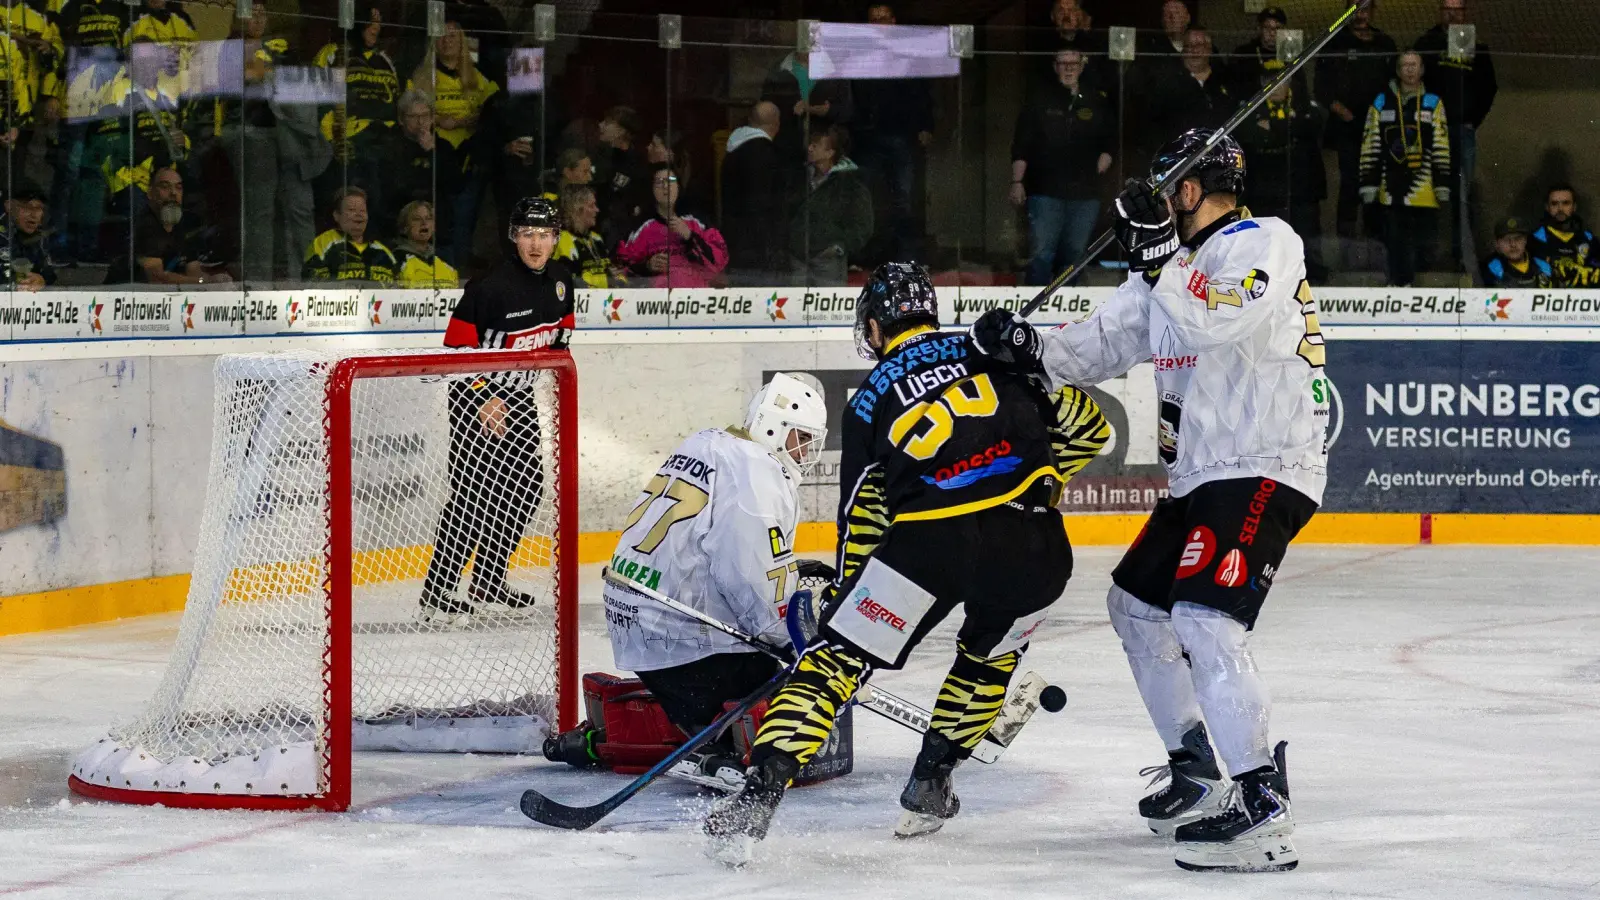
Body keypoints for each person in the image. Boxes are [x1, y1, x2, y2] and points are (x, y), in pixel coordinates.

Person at [969, 129, 1327, 873]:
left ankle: (1261, 803)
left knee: (1204, 618)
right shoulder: (1161, 273)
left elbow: (1215, 315)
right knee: (1135, 605)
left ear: (1191, 192)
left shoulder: (1266, 241)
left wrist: (1160, 256)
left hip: (1260, 463)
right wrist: (1024, 345)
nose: (1163, 201)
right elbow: (1095, 346)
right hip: (1200, 475)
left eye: (1170, 189)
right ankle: (1196, 768)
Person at [703, 262, 1110, 866]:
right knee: (989, 659)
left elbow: (864, 513)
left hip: (930, 541)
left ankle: (760, 791)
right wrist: (1032, 471)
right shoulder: (993, 352)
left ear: (874, 326)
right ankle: (930, 781)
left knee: (836, 662)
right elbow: (1091, 430)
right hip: (1034, 544)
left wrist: (848, 592)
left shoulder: (867, 399)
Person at [546, 373, 833, 789]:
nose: (804, 451)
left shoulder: (707, 443)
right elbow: (750, 579)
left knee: (712, 691)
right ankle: (715, 747)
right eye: (800, 438)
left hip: (639, 625)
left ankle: (627, 733)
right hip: (687, 646)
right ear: (774, 427)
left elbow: (703, 544)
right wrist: (794, 640)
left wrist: (785, 569)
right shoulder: (759, 470)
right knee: (799, 686)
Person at [419, 197, 576, 622]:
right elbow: (455, 349)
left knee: (525, 490)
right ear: (513, 237)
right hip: (476, 400)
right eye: (527, 234)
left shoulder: (562, 281)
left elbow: (561, 337)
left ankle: (489, 579)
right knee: (471, 498)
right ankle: (438, 594)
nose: (536, 244)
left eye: (544, 235)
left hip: (520, 400)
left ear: (557, 239)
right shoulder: (488, 288)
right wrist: (484, 393)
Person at [1010, 48, 1115, 286]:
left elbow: (1110, 138)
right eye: (1063, 63)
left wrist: (1106, 158)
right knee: (1042, 254)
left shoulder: (1096, 100)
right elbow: (1021, 144)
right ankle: (1033, 312)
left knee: (1075, 255)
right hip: (1045, 191)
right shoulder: (1039, 100)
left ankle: (1067, 313)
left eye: (1074, 63)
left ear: (1082, 66)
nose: (1069, 68)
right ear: (1055, 66)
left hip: (1085, 193)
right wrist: (1016, 182)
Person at [408, 19, 500, 267]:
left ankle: (458, 271)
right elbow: (408, 111)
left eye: (453, 36)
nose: (447, 41)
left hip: (470, 157)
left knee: (465, 220)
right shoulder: (422, 77)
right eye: (442, 36)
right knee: (442, 220)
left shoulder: (477, 77)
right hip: (436, 155)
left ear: (461, 43)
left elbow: (494, 109)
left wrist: (463, 119)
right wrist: (439, 119)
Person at [1414, 0, 1497, 264]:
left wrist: (1472, 119)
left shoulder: (1476, 46)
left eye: (1457, 9)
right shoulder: (1426, 43)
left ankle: (1461, 257)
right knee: (1426, 192)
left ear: (1465, 13)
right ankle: (1425, 257)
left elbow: (1488, 87)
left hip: (1463, 131)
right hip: (1430, 132)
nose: (1452, 13)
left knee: (1462, 196)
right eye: (1447, 8)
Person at [1359, 51, 1451, 287]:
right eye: (1405, 65)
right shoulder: (1381, 101)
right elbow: (1370, 143)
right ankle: (1398, 282)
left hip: (1424, 190)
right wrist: (1368, 183)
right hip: (1390, 187)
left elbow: (1441, 143)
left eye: (1414, 65)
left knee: (1423, 242)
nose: (1410, 70)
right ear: (1398, 71)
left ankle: (1416, 287)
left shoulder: (1433, 102)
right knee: (1394, 238)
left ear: (1422, 70)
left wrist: (1442, 184)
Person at [853, 2, 935, 263]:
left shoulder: (909, 53)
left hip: (902, 134)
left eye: (884, 18)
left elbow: (923, 91)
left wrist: (926, 125)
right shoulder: (859, 54)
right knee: (867, 201)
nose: (880, 24)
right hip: (867, 137)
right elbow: (852, 94)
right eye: (874, 19)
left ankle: (905, 258)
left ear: (894, 22)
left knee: (904, 200)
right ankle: (866, 256)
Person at [1315, 0, 1397, 249]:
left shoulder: (1385, 43)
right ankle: (1346, 245)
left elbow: (1395, 84)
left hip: (1379, 128)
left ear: (1373, 11)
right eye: (1355, 8)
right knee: (1350, 183)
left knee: (1376, 181)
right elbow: (1321, 88)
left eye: (1364, 8)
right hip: (1346, 127)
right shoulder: (1334, 42)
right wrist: (1342, 111)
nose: (1360, 14)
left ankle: (1375, 243)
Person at [1236, 78, 1327, 281]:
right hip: (1265, 190)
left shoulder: (1306, 107)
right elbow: (1248, 134)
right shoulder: (1251, 109)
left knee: (1306, 238)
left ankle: (1311, 281)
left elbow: (1310, 127)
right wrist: (1284, 129)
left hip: (1301, 188)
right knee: (1267, 241)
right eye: (1269, 82)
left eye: (1281, 82)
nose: (1275, 88)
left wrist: (1274, 127)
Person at [361, 90, 462, 245]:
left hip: (437, 228)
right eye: (414, 117)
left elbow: (455, 185)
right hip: (398, 226)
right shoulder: (387, 147)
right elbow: (390, 190)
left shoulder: (443, 147)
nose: (421, 122)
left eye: (425, 116)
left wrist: (431, 153)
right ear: (401, 119)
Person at [313, 5, 400, 166]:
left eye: (379, 22)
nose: (376, 27)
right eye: (372, 21)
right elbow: (319, 100)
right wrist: (333, 140)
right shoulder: (334, 52)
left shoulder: (385, 61)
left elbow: (397, 101)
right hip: (350, 139)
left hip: (386, 138)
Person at [616, 167, 728, 288]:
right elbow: (619, 271)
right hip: (658, 302)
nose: (665, 186)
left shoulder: (698, 222)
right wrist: (646, 266)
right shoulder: (641, 228)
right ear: (652, 189)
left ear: (678, 186)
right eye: (659, 182)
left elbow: (720, 261)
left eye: (671, 180)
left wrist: (690, 237)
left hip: (697, 299)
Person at [789, 125, 872, 287]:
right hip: (798, 257)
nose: (810, 148)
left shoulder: (851, 183)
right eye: (810, 144)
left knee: (827, 308)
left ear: (830, 153)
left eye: (816, 145)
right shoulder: (799, 178)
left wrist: (839, 247)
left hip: (828, 259)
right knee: (795, 308)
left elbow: (863, 224)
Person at [1143, 28, 1237, 159]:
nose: (1194, 50)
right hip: (1179, 158)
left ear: (1210, 49)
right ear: (1182, 51)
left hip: (1220, 156)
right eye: (1189, 46)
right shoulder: (1168, 83)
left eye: (1199, 45)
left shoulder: (1225, 78)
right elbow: (1154, 124)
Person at [720, 101, 785, 285]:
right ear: (777, 124)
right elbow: (763, 205)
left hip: (734, 242)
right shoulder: (766, 155)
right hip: (759, 249)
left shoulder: (733, 151)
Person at [131, 166, 229, 285]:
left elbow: (193, 271)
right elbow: (157, 278)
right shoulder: (144, 226)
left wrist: (218, 280)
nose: (173, 193)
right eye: (165, 187)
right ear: (150, 193)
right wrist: (205, 281)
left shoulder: (183, 226)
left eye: (178, 188)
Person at [302, 186, 396, 283]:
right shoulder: (322, 244)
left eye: (362, 211)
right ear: (337, 216)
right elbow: (313, 284)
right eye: (351, 210)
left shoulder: (383, 252)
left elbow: (399, 289)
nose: (359, 214)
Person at [591, 105, 648, 246]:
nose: (601, 125)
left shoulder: (637, 165)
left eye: (608, 122)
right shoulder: (596, 157)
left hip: (622, 237)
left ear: (622, 131)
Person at [1228, 8, 1307, 103]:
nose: (1272, 33)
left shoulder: (1289, 52)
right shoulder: (1245, 52)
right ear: (1260, 29)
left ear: (1284, 30)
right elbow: (1236, 88)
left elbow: (1302, 88)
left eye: (1277, 28)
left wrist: (1288, 91)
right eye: (1267, 27)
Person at [1528, 184, 1598, 288]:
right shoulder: (1534, 239)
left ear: (1574, 207)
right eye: (1554, 204)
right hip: (1546, 300)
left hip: (1582, 301)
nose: (1560, 209)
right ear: (1547, 207)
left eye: (1566, 203)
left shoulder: (1588, 238)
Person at [555, 183, 618, 289]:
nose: (597, 210)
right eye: (591, 206)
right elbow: (571, 281)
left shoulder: (596, 239)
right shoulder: (561, 240)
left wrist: (618, 280)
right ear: (576, 209)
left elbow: (615, 275)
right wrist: (606, 279)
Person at [391, 201, 459, 289]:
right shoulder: (396, 260)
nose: (424, 223)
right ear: (404, 228)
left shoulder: (445, 260)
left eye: (428, 218)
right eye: (417, 219)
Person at [5, 183, 56, 290]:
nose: (34, 214)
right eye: (27, 207)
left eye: (39, 208)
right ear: (9, 207)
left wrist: (41, 279)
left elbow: (50, 273)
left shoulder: (40, 238)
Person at [1481, 216, 1552, 288]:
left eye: (1518, 239)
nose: (1513, 244)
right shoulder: (1490, 269)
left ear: (1525, 240)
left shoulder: (1543, 266)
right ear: (1497, 243)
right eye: (1506, 240)